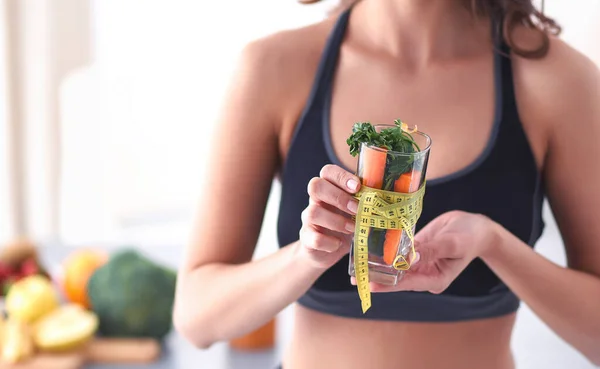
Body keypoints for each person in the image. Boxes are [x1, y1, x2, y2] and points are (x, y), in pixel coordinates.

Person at [172, 0, 600, 368]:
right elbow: (197, 317)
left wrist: (496, 245)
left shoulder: (557, 81)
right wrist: (307, 256)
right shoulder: (274, 68)